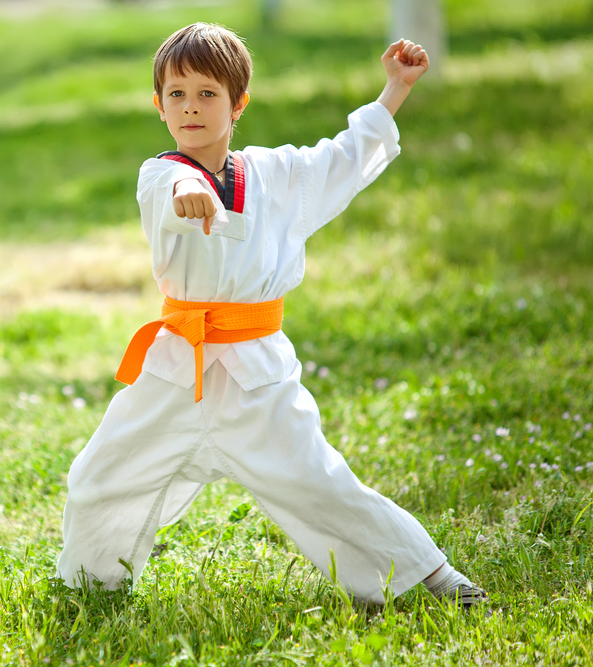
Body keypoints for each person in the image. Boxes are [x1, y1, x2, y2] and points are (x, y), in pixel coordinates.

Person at [55, 23, 488, 608]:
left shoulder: (278, 175)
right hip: (176, 372)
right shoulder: (161, 175)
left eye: (207, 94)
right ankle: (90, 587)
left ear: (238, 103)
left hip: (257, 377)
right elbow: (173, 187)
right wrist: (188, 189)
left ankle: (431, 578)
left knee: (319, 485)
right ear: (159, 105)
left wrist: (396, 89)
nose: (191, 107)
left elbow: (343, 156)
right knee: (101, 476)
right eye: (177, 94)